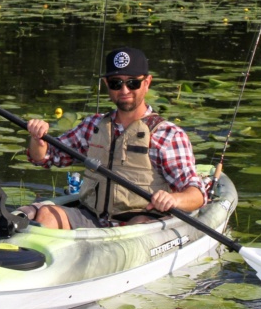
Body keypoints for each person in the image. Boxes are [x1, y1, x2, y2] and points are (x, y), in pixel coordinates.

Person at [25, 46, 206, 230]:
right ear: (106, 84)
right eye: (116, 83)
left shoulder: (168, 135)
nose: (124, 90)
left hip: (139, 222)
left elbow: (196, 193)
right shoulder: (93, 126)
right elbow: (45, 157)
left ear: (147, 82)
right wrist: (38, 139)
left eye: (132, 83)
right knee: (47, 215)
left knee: (136, 226)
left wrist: (173, 198)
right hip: (92, 216)